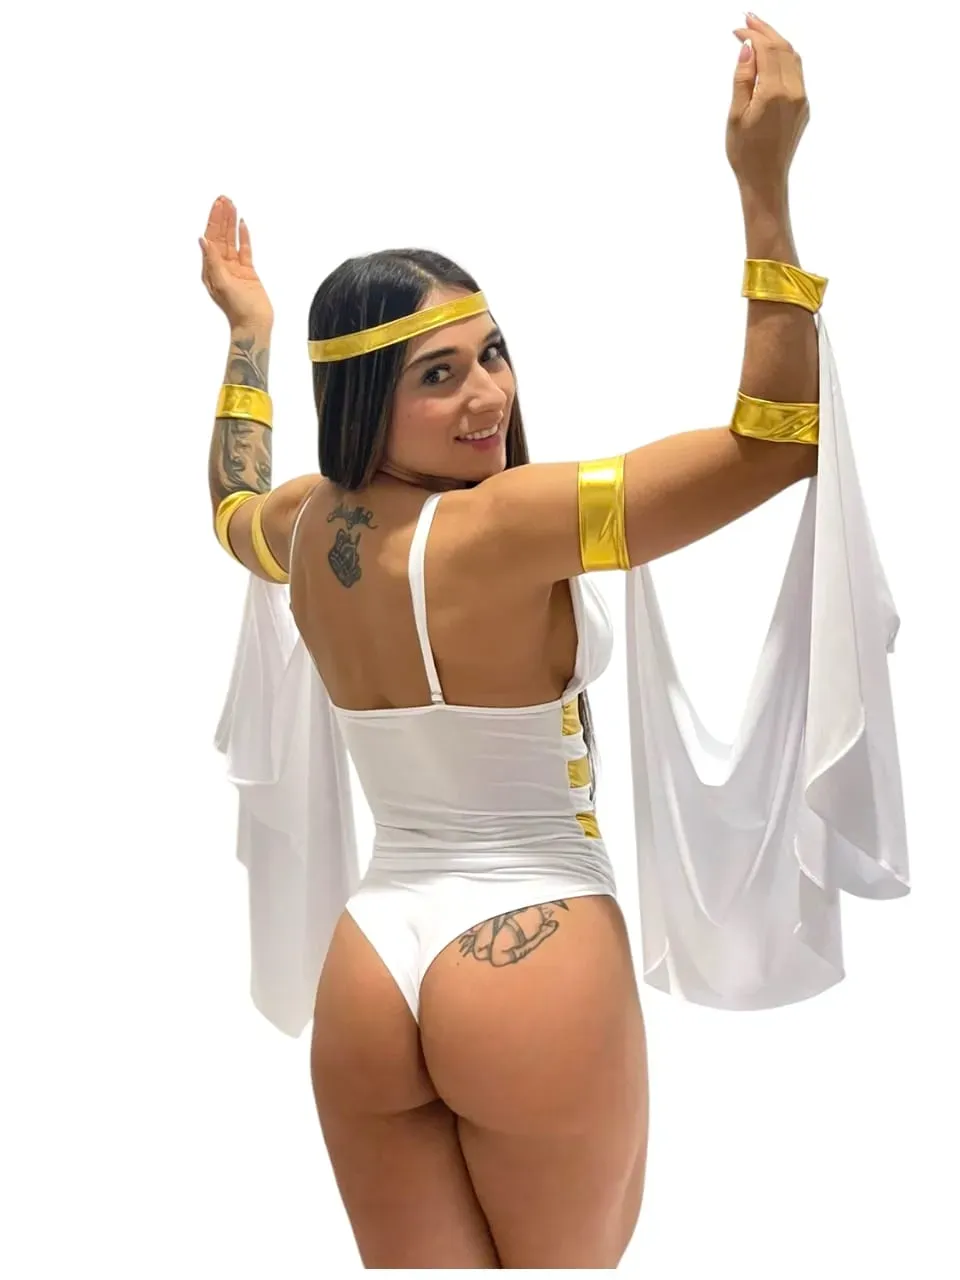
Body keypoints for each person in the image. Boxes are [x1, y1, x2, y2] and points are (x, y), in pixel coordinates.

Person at [198, 14, 908, 1270]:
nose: (488, 396)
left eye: (493, 354)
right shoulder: (512, 522)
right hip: (529, 954)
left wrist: (244, 338)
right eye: (438, 376)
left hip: (368, 973)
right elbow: (776, 441)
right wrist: (763, 186)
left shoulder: (306, 527)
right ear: (364, 393)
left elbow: (226, 506)